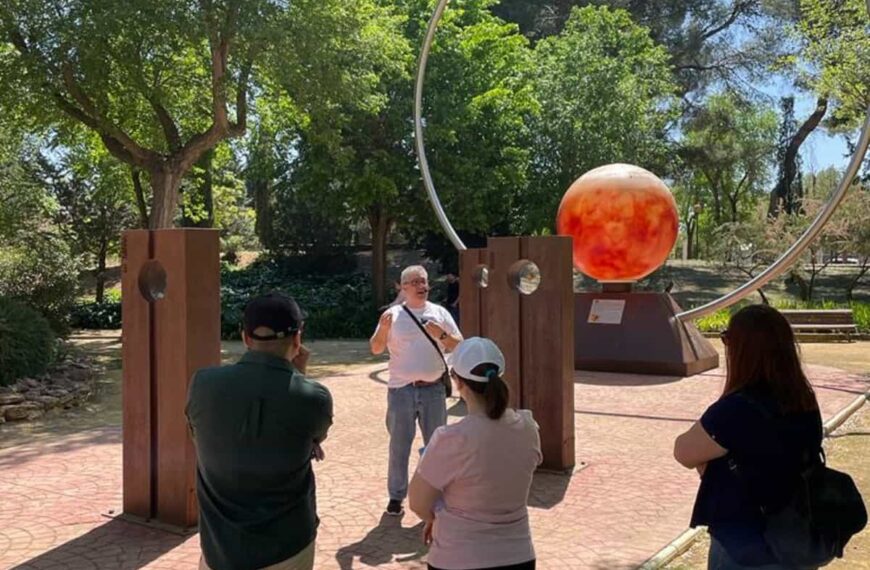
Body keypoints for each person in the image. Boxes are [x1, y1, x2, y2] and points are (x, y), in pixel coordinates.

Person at [186, 293, 333, 570]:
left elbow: (197, 435)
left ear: (245, 337)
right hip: (287, 545)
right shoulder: (315, 397)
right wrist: (297, 376)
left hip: (220, 547)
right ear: (297, 339)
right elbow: (315, 436)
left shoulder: (202, 384)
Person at [673, 304, 823, 570]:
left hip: (743, 543)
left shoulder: (737, 408)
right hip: (796, 537)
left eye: (727, 338)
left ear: (744, 350)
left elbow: (683, 451)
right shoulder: (804, 401)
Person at [409, 337, 542, 570]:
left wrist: (436, 519)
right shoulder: (528, 427)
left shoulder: (450, 439)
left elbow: (419, 503)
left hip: (457, 557)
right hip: (519, 555)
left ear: (457, 381)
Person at [370, 265, 462, 516]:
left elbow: (459, 345)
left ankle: (436, 494)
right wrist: (383, 330)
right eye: (415, 282)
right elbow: (376, 348)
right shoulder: (392, 315)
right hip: (401, 391)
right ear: (403, 287)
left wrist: (441, 335)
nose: (422, 286)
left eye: (424, 281)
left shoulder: (440, 313)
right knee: (399, 446)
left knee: (436, 446)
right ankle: (396, 496)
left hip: (433, 391)